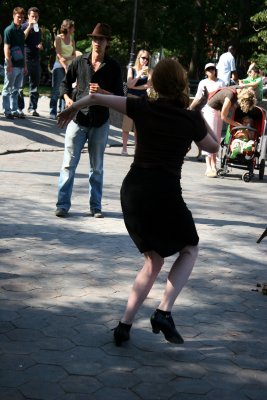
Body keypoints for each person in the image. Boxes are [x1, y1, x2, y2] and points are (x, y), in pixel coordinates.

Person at [57, 58, 220, 346]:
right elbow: (213, 146)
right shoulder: (189, 118)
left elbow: (96, 97)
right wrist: (198, 111)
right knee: (190, 248)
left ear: (155, 83)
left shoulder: (142, 106)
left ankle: (124, 325)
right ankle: (164, 311)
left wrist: (71, 107)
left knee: (153, 261)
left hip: (134, 191)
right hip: (165, 192)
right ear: (183, 84)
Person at [55, 23, 124, 219]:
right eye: (94, 39)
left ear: (106, 43)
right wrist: (68, 100)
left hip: (100, 123)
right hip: (78, 120)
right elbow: (64, 84)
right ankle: (62, 205)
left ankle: (96, 206)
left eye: (100, 39)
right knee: (68, 164)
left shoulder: (113, 67)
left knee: (97, 168)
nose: (96, 42)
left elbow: (120, 96)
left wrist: (102, 92)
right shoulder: (79, 61)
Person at [202, 87, 257, 177]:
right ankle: (209, 167)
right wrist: (237, 124)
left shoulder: (238, 91)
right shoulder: (230, 95)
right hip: (211, 110)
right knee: (211, 137)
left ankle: (214, 166)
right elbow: (224, 117)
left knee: (216, 139)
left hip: (218, 111)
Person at [189, 63, 224, 163]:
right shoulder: (203, 82)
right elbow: (198, 97)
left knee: (216, 133)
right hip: (206, 110)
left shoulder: (221, 82)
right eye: (208, 69)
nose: (211, 71)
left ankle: (213, 156)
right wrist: (191, 107)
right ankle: (205, 155)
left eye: (212, 68)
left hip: (217, 111)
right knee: (206, 131)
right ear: (205, 72)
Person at [121, 49, 152, 156]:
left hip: (142, 99)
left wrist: (134, 86)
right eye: (143, 58)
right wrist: (139, 75)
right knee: (127, 125)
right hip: (131, 98)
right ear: (138, 58)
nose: (145, 60)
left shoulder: (150, 71)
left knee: (139, 126)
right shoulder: (131, 69)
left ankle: (137, 149)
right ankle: (124, 148)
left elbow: (148, 85)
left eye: (147, 58)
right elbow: (129, 84)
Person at [2, 7, 27, 119]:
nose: (20, 19)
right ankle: (7, 111)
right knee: (7, 88)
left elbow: (23, 49)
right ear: (13, 16)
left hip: (21, 65)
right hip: (12, 65)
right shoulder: (9, 30)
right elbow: (6, 47)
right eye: (18, 17)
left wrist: (25, 65)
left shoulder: (21, 31)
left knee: (16, 90)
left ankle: (14, 109)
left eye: (22, 17)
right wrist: (9, 63)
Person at [18, 7, 42, 117]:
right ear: (28, 16)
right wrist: (29, 25)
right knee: (21, 86)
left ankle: (32, 108)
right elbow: (22, 38)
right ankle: (19, 108)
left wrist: (40, 46)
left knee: (35, 87)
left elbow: (38, 42)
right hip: (25, 59)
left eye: (36, 16)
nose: (34, 18)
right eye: (32, 16)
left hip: (36, 59)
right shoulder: (23, 26)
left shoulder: (38, 29)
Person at [49, 19, 76, 119]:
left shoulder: (72, 39)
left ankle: (64, 111)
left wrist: (68, 59)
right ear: (68, 28)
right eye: (73, 27)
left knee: (67, 90)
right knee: (56, 90)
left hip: (70, 67)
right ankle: (53, 111)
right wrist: (65, 66)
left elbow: (74, 55)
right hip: (59, 66)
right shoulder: (58, 38)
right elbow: (59, 55)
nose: (74, 29)